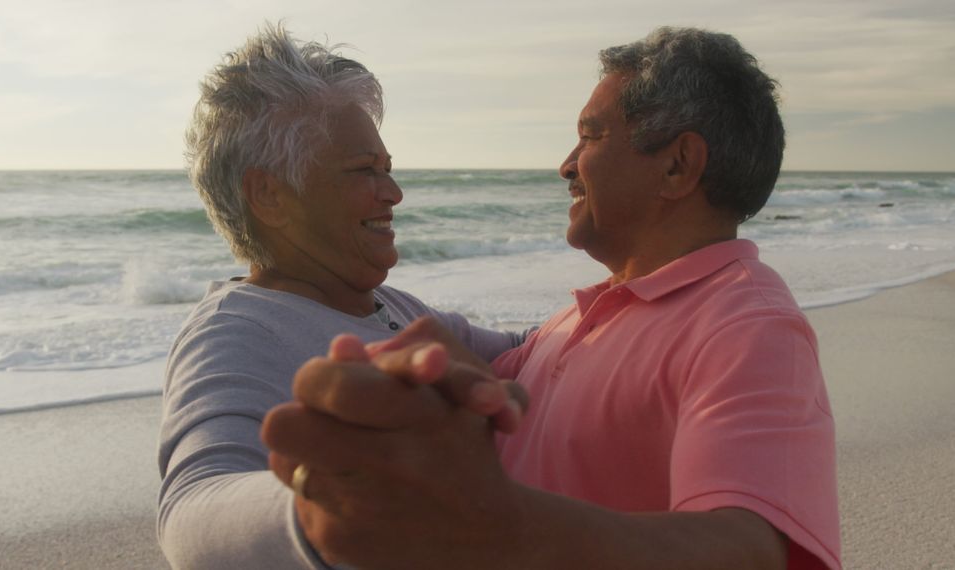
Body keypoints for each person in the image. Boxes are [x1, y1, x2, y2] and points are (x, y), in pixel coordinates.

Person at [262, 27, 841, 570]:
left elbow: (749, 550)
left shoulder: (747, 325)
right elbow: (487, 397)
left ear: (677, 164)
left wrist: (495, 528)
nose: (566, 164)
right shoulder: (583, 317)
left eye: (590, 136)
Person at [156, 25, 527, 569]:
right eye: (364, 171)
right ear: (269, 195)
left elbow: (529, 352)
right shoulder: (237, 331)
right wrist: (329, 508)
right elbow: (192, 517)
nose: (394, 194)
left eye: (387, 170)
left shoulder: (396, 308)